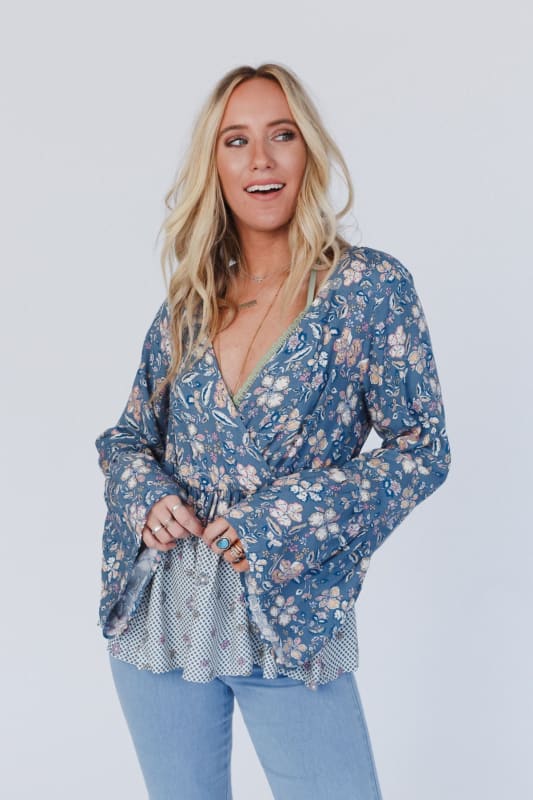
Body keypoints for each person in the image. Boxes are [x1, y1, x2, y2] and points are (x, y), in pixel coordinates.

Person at [95, 62, 451, 800]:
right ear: (215, 166)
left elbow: (423, 450)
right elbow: (127, 439)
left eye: (280, 135)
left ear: (307, 151)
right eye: (236, 140)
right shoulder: (191, 301)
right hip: (162, 615)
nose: (260, 158)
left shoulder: (368, 289)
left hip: (290, 612)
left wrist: (276, 519)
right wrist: (147, 495)